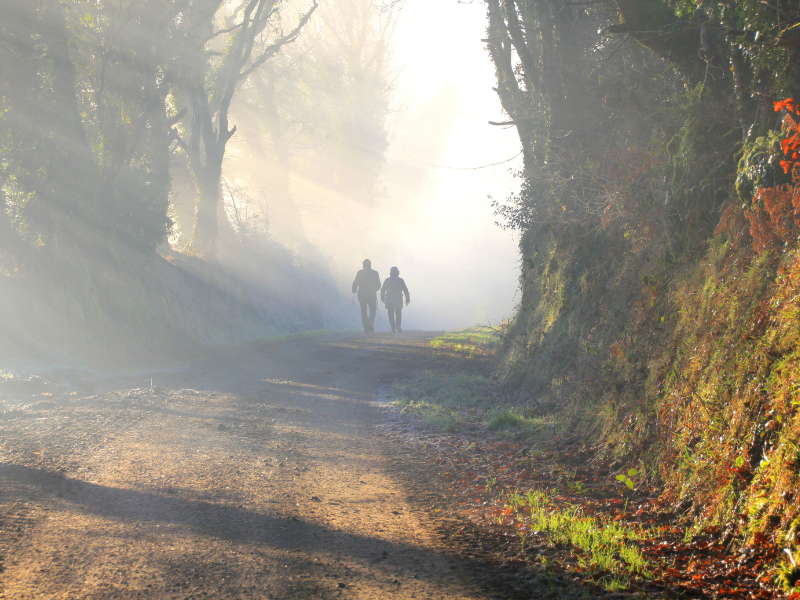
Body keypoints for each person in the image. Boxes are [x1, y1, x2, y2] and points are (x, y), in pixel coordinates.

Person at [352, 259, 381, 333]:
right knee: (373, 310)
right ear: (370, 265)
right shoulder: (375, 273)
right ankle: (370, 323)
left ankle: (366, 327)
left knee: (363, 311)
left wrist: (354, 289)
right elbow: (378, 285)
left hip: (362, 294)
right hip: (371, 294)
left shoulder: (360, 273)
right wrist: (375, 289)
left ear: (364, 265)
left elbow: (356, 282)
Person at [380, 266, 410, 333]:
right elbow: (405, 290)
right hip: (398, 298)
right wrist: (407, 300)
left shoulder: (387, 280)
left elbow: (383, 290)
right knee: (398, 313)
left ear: (390, 272)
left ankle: (393, 327)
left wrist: (383, 298)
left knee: (390, 314)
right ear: (397, 272)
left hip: (389, 299)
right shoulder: (400, 280)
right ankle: (398, 325)